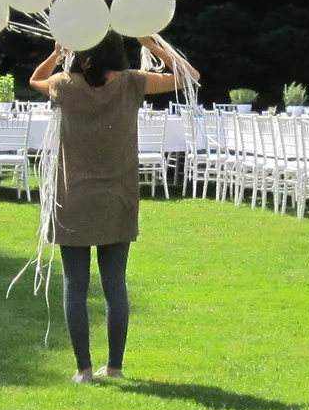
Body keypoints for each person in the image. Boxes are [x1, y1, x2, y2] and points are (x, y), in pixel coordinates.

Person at [29, 31, 197, 383]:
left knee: (75, 285)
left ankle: (83, 369)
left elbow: (36, 80)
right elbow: (188, 76)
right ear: (117, 51)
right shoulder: (132, 83)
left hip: (72, 196)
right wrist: (151, 44)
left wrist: (57, 52)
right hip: (117, 196)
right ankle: (116, 366)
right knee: (114, 284)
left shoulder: (63, 84)